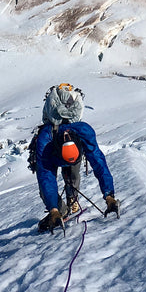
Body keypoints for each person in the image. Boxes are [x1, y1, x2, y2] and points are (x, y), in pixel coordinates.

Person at [32, 83, 119, 232]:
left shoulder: (84, 132)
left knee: (73, 174)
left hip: (72, 147)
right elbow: (46, 175)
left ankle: (72, 199)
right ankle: (60, 209)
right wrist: (53, 208)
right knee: (44, 188)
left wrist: (109, 195)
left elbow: (99, 163)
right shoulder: (45, 140)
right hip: (53, 148)